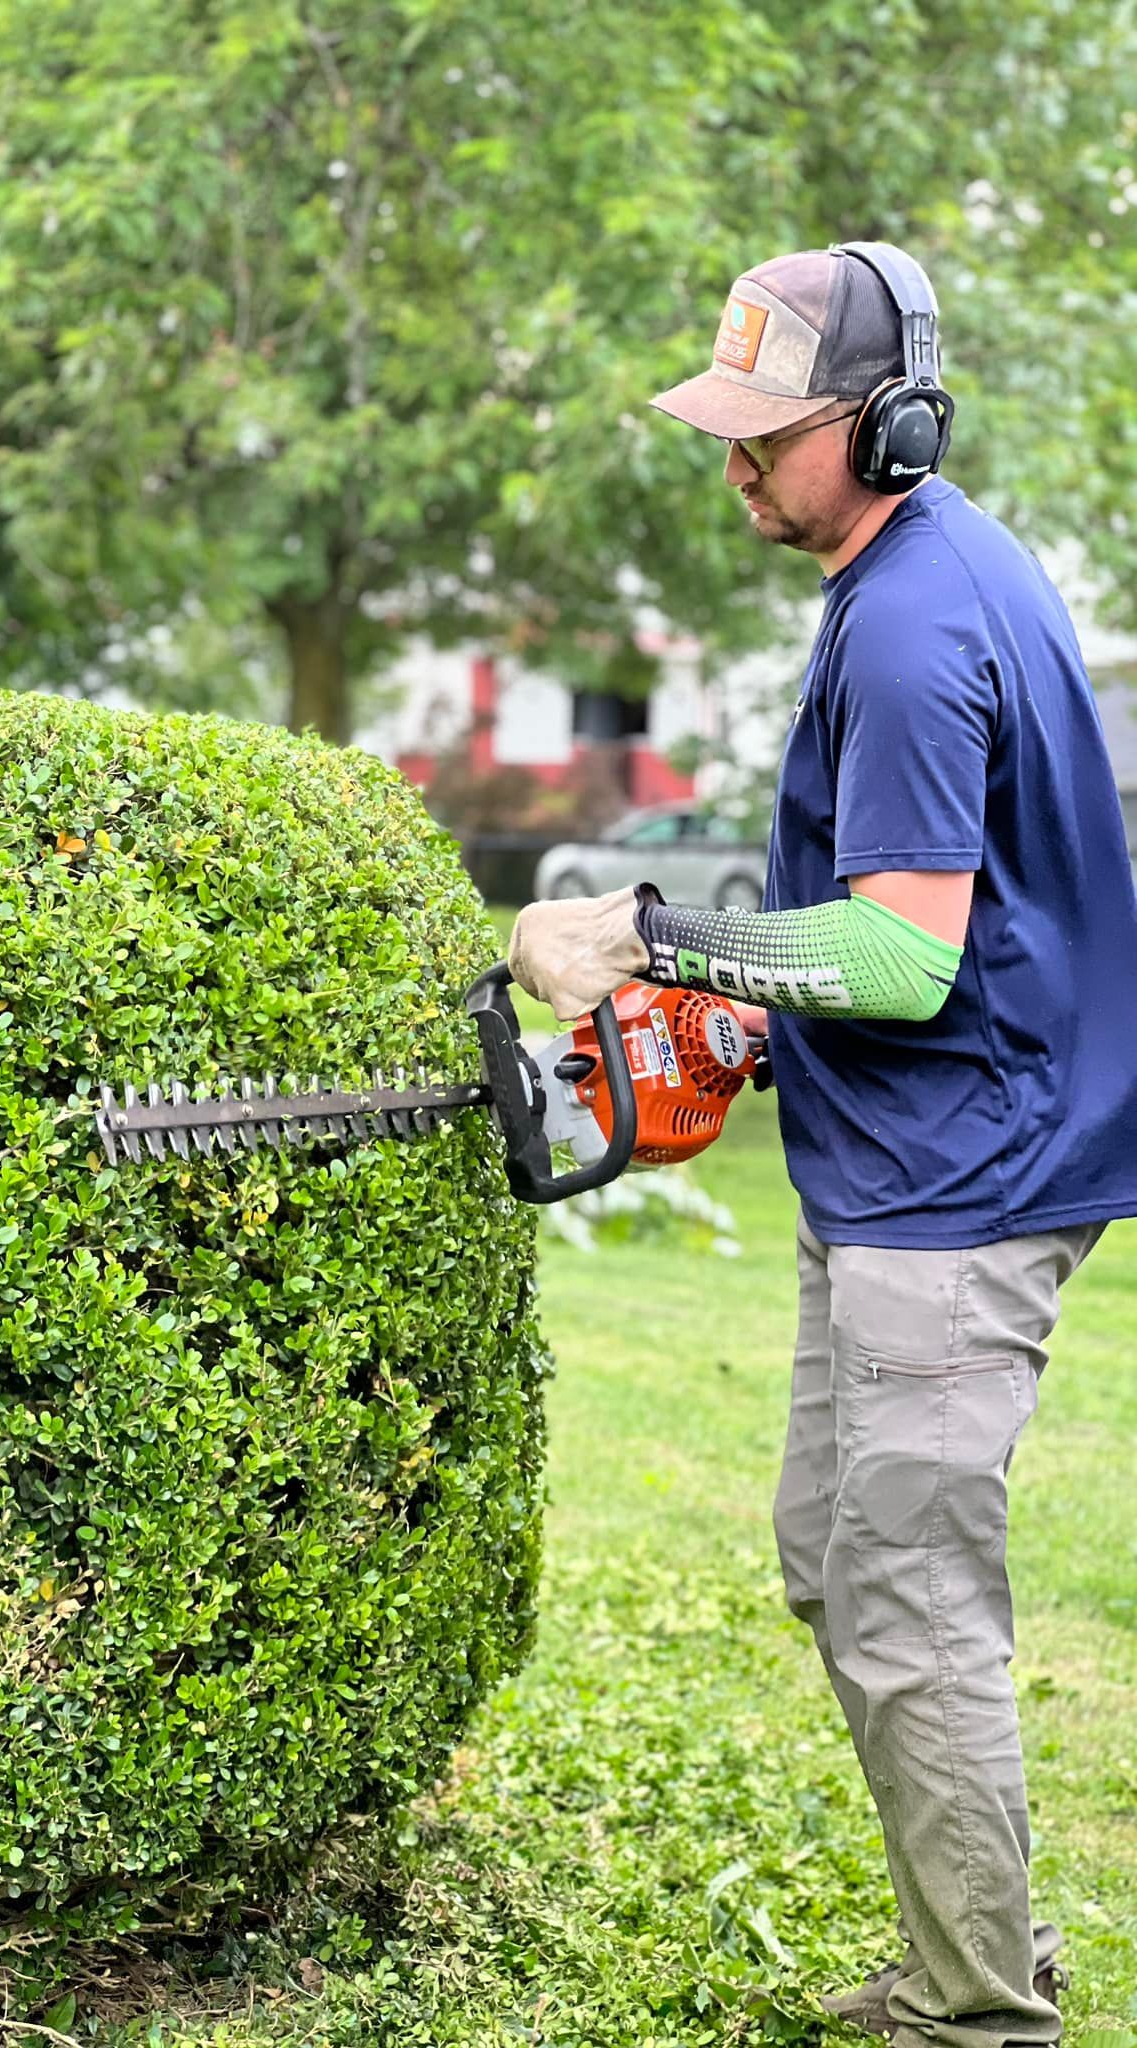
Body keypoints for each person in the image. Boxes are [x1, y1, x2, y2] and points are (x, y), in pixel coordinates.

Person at [506, 242, 1137, 2047]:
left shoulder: (924, 625)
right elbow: (915, 925)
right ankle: (983, 1944)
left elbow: (907, 951)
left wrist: (650, 940)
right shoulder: (911, 573)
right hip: (908, 1154)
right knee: (833, 1560)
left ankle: (983, 2017)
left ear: (887, 424)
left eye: (768, 440)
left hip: (964, 1185)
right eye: (726, 433)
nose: (737, 472)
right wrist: (749, 1017)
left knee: (906, 1610)